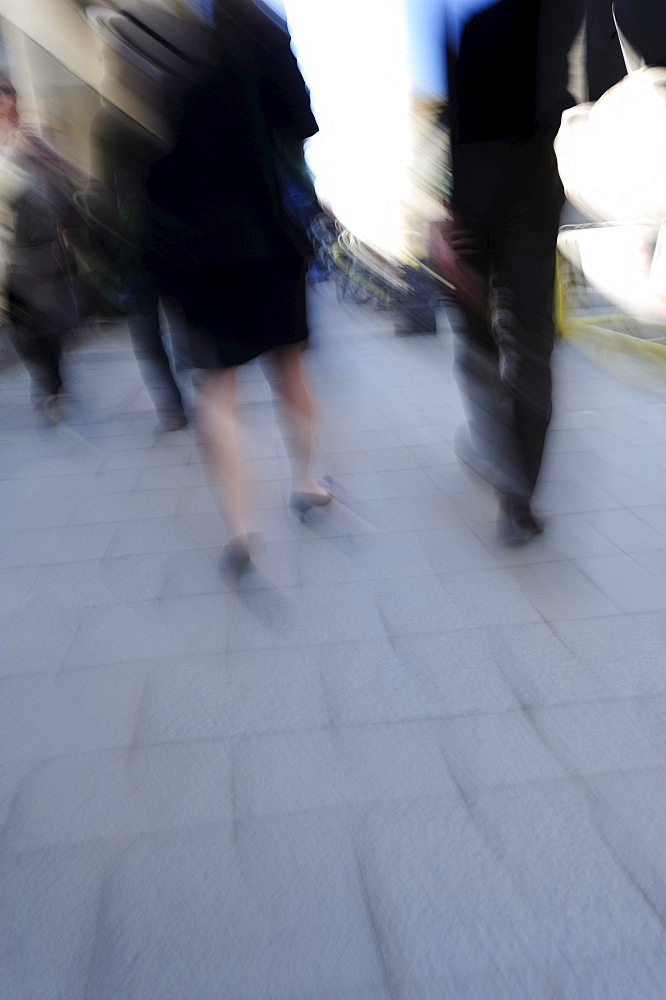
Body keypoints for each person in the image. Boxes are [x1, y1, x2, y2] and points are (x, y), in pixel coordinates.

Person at [145, 0, 330, 572]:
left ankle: (240, 531)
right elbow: (301, 123)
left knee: (217, 391)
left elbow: (148, 150)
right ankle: (304, 481)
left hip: (192, 246)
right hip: (264, 235)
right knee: (288, 368)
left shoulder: (168, 36)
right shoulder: (263, 31)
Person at [439, 0, 587, 543]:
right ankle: (519, 489)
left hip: (474, 193)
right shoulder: (554, 12)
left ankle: (500, 457)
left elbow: (452, 120)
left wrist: (448, 213)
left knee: (478, 339)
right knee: (533, 345)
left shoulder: (471, 24)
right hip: (530, 184)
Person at [0, 75, 80, 424]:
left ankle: (54, 385)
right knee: (22, 332)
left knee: (49, 326)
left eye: (5, 97)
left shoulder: (31, 140)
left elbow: (62, 186)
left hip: (40, 252)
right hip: (7, 256)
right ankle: (47, 381)